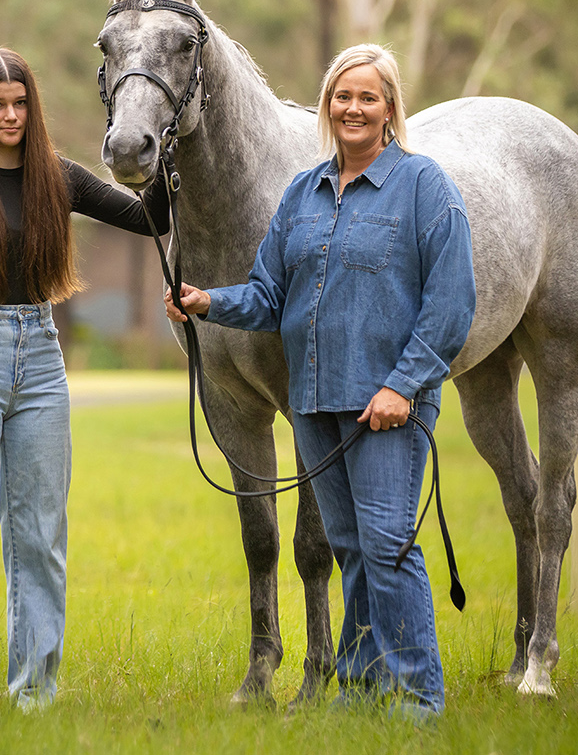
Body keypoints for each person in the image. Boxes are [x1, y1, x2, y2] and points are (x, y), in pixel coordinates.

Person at [166, 44, 475, 717]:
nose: (353, 108)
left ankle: (419, 698)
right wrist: (209, 302)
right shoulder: (303, 193)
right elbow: (271, 295)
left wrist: (404, 386)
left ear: (390, 108)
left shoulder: (424, 187)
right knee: (349, 547)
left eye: (368, 97)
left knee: (389, 546)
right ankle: (363, 691)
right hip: (315, 401)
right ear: (327, 106)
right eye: (342, 96)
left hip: (387, 402)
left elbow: (452, 305)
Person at [0, 47, 168, 715]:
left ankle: (36, 695)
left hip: (43, 358)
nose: (11, 114)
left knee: (41, 534)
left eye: (20, 102)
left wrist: (172, 144)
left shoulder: (58, 176)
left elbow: (150, 217)